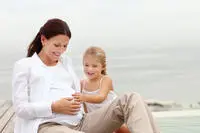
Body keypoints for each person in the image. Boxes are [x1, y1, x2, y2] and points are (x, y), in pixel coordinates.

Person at [12, 18, 160, 133]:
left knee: (131, 99)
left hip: (82, 122)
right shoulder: (24, 66)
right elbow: (20, 108)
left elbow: (80, 95)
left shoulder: (66, 63)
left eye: (65, 46)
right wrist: (54, 107)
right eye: (57, 45)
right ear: (43, 40)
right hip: (48, 126)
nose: (61, 50)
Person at [72, 46, 130, 133]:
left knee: (122, 129)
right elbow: (84, 106)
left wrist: (84, 97)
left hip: (113, 116)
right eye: (86, 65)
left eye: (94, 66)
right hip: (97, 120)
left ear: (102, 67)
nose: (89, 69)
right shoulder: (82, 83)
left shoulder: (105, 80)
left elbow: (101, 97)